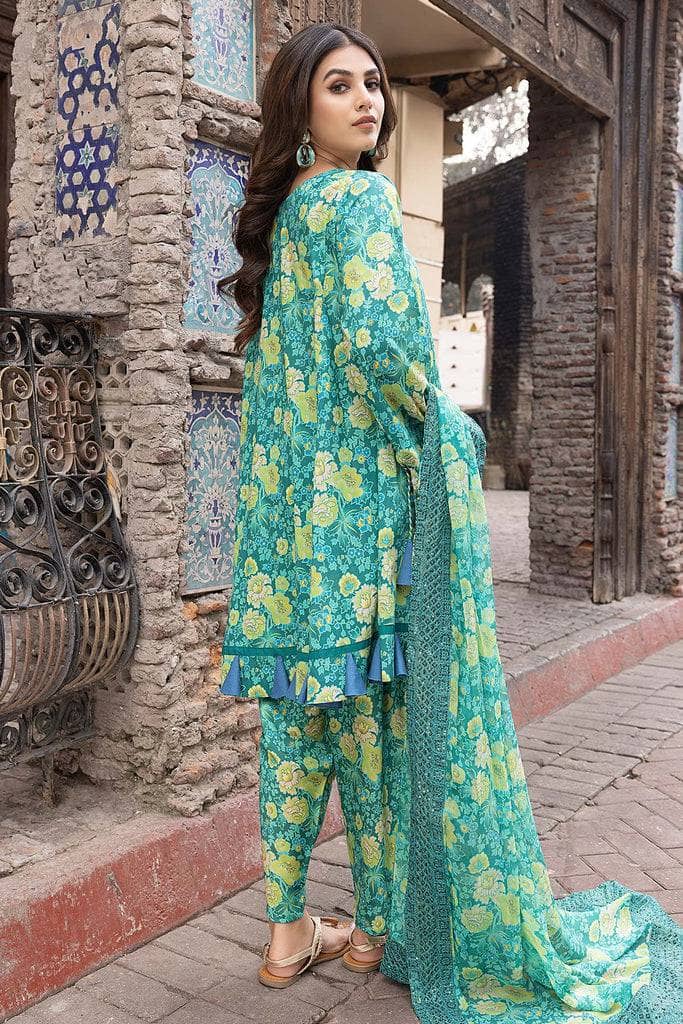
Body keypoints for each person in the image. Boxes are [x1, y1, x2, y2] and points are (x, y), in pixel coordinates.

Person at [217, 21, 682, 1022]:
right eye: (339, 86)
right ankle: (379, 924)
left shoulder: (287, 215)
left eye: (373, 84)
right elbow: (384, 349)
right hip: (354, 523)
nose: (366, 100)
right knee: (369, 730)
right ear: (298, 105)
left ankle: (287, 931)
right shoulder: (359, 199)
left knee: (294, 725)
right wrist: (448, 429)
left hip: (278, 537)